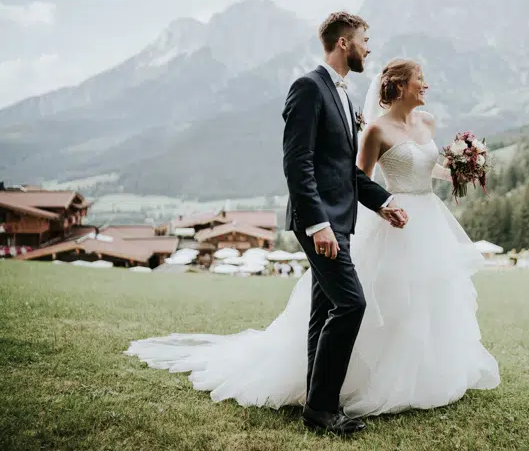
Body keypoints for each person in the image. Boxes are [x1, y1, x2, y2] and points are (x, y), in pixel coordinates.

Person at [123, 21, 499, 436]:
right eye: (364, 41)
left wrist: (384, 201)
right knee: (352, 304)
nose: (368, 49)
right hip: (321, 222)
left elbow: (346, 173)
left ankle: (315, 396)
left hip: (342, 219)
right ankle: (322, 409)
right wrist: (318, 224)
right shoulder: (308, 87)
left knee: (323, 311)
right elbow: (297, 162)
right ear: (344, 43)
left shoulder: (342, 93)